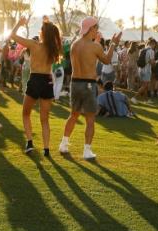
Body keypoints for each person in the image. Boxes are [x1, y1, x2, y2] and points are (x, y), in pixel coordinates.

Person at [59, 18, 121, 160]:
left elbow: (88, 55)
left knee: (73, 115)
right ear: (91, 28)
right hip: (88, 84)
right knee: (90, 119)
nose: (97, 30)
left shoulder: (75, 44)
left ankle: (64, 144)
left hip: (75, 83)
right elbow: (106, 60)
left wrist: (97, 42)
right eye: (96, 28)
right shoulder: (94, 47)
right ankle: (87, 151)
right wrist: (112, 44)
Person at [10, 16, 63, 155]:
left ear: (43, 33)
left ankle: (29, 143)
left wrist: (19, 23)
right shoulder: (54, 48)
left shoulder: (34, 45)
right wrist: (47, 24)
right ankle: (46, 150)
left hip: (35, 80)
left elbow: (12, 36)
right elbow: (55, 37)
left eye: (41, 30)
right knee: (45, 119)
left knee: (26, 113)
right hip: (47, 81)